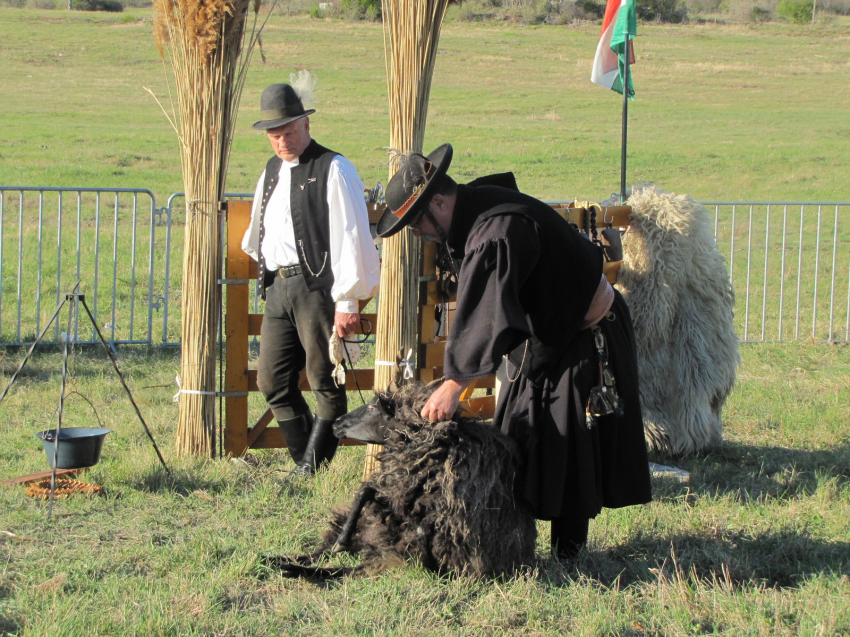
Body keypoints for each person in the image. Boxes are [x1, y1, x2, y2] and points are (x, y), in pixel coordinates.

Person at [375, 144, 652, 559]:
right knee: (520, 438)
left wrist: (455, 384)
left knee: (569, 447)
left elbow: (487, 311)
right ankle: (514, 544)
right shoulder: (476, 207)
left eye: (417, 224)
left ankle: (568, 555)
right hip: (548, 335)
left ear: (438, 201)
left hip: (587, 332)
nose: (418, 233)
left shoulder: (496, 231)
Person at [242, 80, 380, 476]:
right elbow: (259, 231)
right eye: (274, 135)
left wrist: (348, 300)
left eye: (288, 132)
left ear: (305, 124)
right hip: (279, 287)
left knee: (325, 379)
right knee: (271, 380)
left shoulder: (334, 168)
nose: (282, 142)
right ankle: (308, 465)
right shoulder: (271, 171)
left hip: (317, 288)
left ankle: (308, 472)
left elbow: (351, 234)